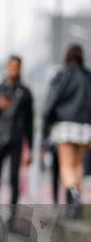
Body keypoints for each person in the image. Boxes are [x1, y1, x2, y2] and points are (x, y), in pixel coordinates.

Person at [0, 55, 34, 224]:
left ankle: (12, 217)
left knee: (14, 179)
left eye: (17, 66)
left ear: (20, 69)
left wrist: (30, 148)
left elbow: (29, 122)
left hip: (16, 140)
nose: (14, 69)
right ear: (6, 67)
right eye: (11, 66)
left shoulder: (25, 93)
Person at [42, 44, 91, 218]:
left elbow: (51, 100)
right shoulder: (88, 76)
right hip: (86, 126)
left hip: (65, 125)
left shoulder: (62, 74)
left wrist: (46, 124)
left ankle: (73, 194)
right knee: (78, 165)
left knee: (66, 166)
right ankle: (74, 205)